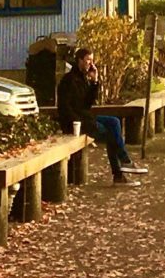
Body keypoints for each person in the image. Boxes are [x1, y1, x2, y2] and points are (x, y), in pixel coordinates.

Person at [55, 47, 147, 185]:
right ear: (79, 60)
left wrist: (95, 81)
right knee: (111, 135)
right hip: (76, 122)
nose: (91, 64)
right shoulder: (68, 80)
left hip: (86, 116)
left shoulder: (83, 78)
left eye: (92, 60)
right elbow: (64, 107)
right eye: (88, 60)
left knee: (114, 122)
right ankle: (120, 170)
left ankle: (123, 164)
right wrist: (77, 122)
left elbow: (89, 103)